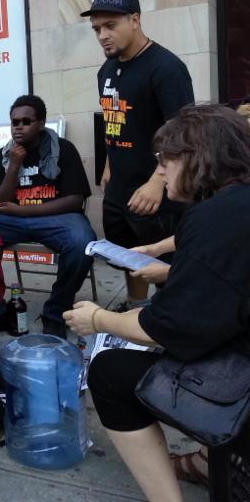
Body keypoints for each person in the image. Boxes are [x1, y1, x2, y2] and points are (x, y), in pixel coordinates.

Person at [63, 105, 250, 502]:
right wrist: (169, 271)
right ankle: (206, 460)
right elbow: (229, 275)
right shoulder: (236, 204)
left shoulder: (215, 216)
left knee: (110, 370)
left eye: (166, 160)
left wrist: (97, 319)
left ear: (199, 157)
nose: (161, 171)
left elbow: (164, 328)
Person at [82, 0, 194, 309]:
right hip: (120, 188)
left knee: (163, 263)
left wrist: (157, 182)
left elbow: (183, 134)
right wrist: (108, 164)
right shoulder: (106, 70)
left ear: (135, 20)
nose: (102, 35)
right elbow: (113, 119)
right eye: (96, 29)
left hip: (157, 192)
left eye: (110, 25)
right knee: (131, 258)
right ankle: (135, 311)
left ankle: (167, 319)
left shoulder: (166, 68)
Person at [0, 95, 95, 339]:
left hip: (57, 218)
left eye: (27, 121)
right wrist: (14, 164)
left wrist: (21, 210)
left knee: (83, 243)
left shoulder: (63, 149)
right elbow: (0, 202)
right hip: (12, 220)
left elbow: (74, 200)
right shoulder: (3, 155)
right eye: (15, 122)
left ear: (41, 123)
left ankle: (56, 313)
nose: (19, 127)